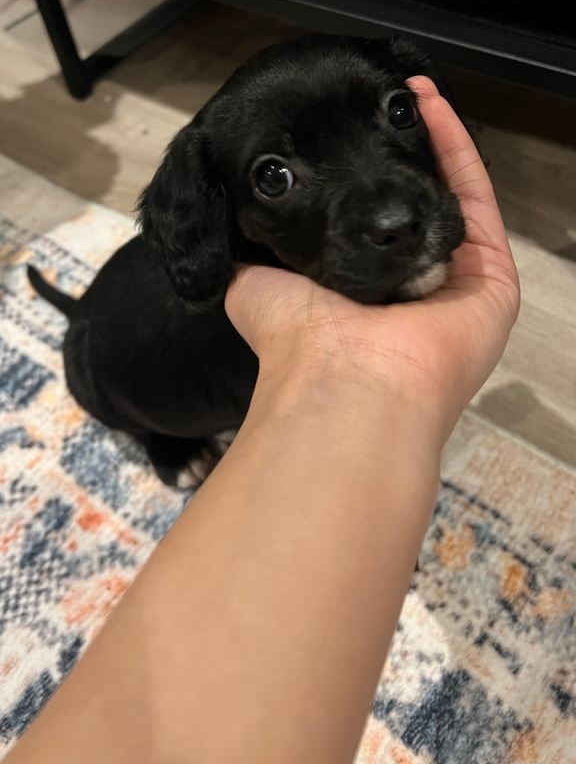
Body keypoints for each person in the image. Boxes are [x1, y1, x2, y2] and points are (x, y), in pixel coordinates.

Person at [7, 76, 520, 764]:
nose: (394, 208)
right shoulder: (248, 317)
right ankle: (160, 436)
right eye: (275, 176)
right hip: (114, 380)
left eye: (397, 115)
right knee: (152, 408)